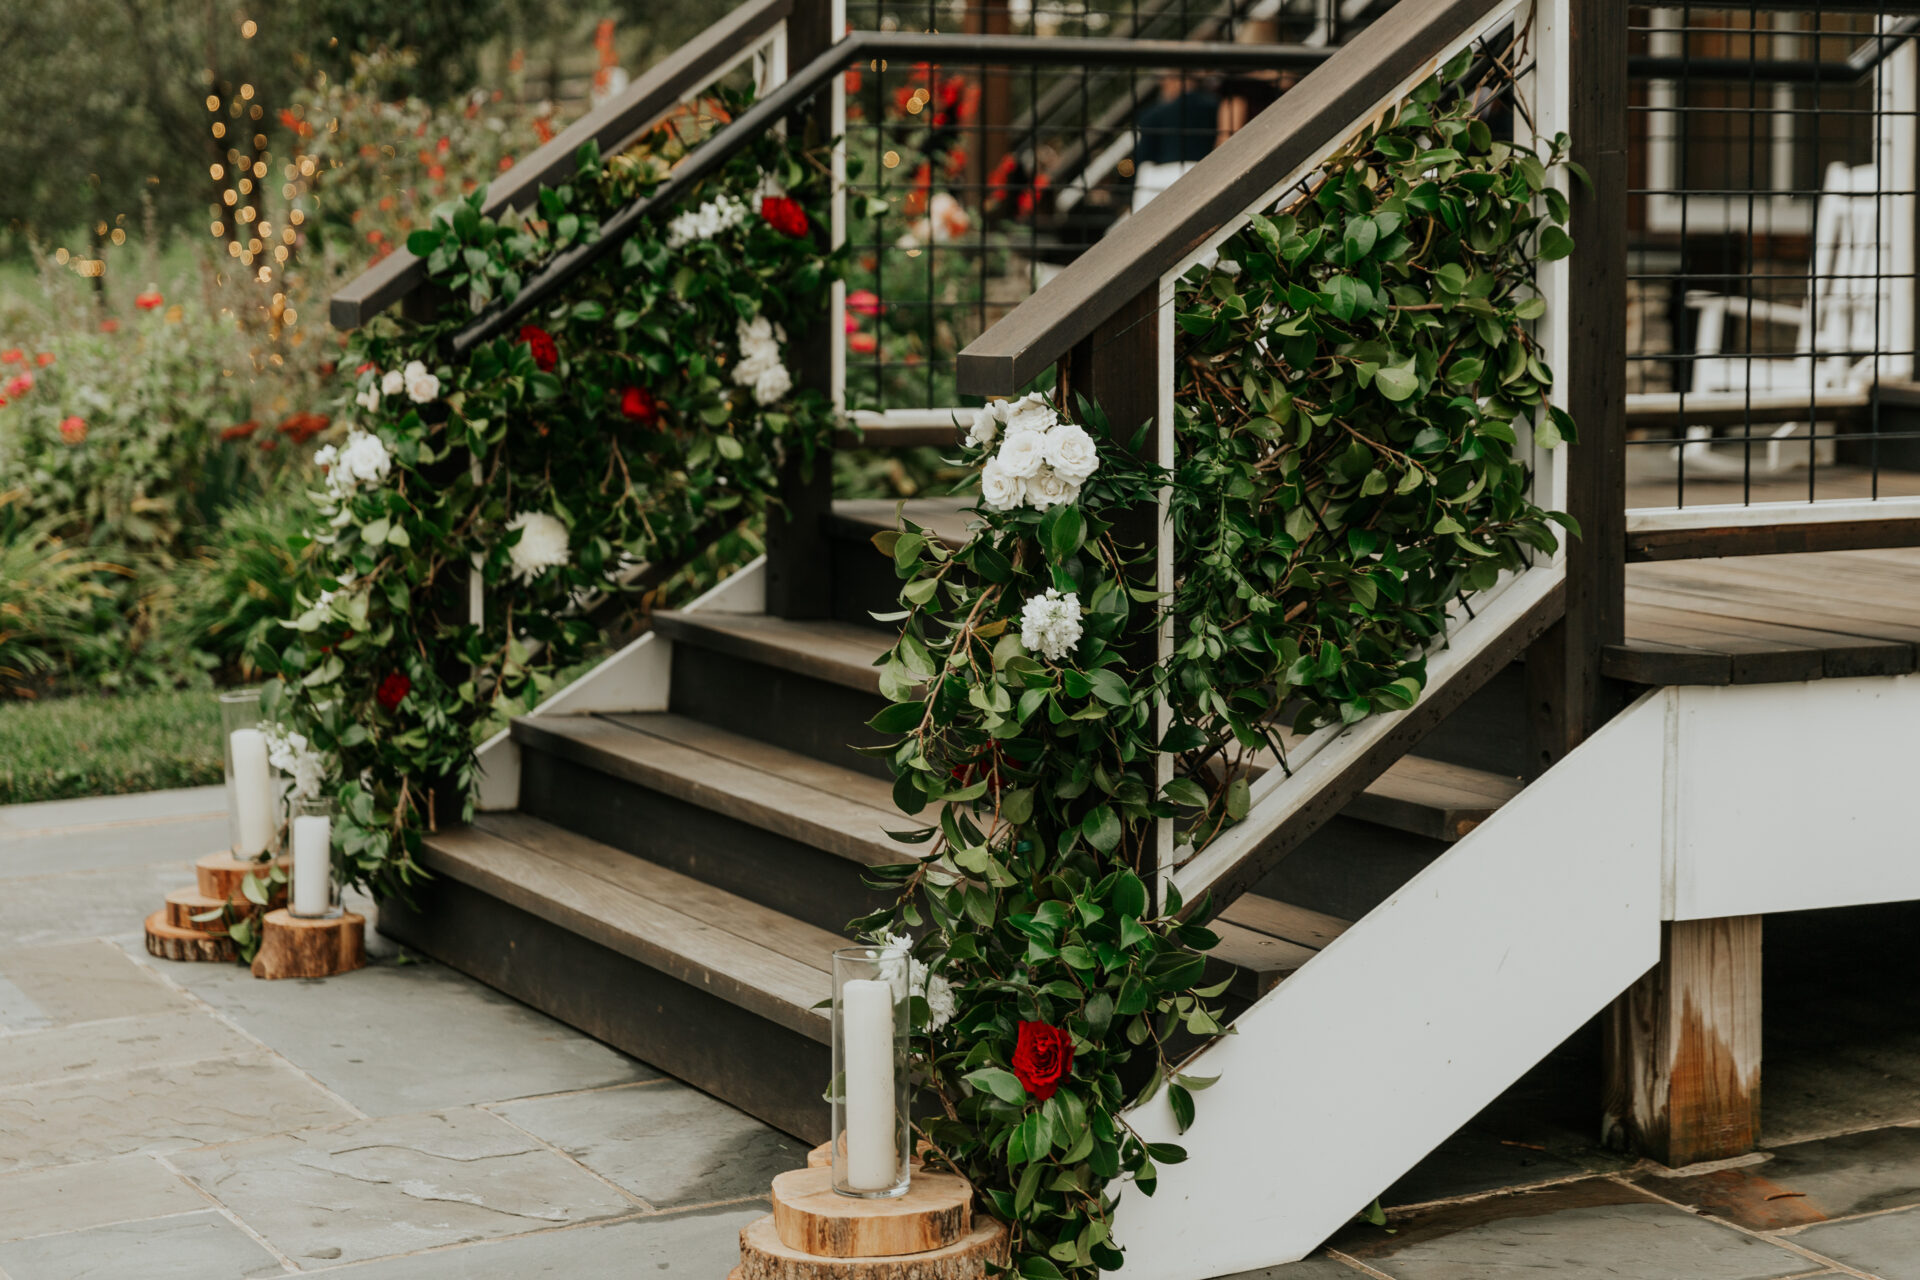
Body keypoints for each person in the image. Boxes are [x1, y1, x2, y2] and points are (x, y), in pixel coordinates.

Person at [1131, 71, 1220, 212]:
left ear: (1172, 80)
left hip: (1161, 181)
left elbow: (1143, 156)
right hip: (1205, 176)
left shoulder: (1153, 114)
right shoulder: (1215, 106)